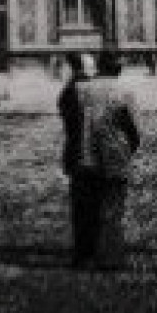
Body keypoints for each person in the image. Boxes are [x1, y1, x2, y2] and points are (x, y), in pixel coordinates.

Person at [61, 51, 141, 270]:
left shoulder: (80, 89)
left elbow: (70, 121)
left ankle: (84, 255)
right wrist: (130, 147)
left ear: (99, 68)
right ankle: (110, 257)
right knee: (113, 207)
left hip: (85, 156)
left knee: (86, 208)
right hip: (115, 156)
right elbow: (133, 128)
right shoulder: (124, 91)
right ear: (119, 69)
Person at [57, 53, 96, 267]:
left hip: (76, 153)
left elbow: (65, 115)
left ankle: (83, 252)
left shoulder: (70, 91)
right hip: (95, 153)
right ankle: (94, 248)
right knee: (95, 203)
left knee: (80, 206)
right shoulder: (93, 88)